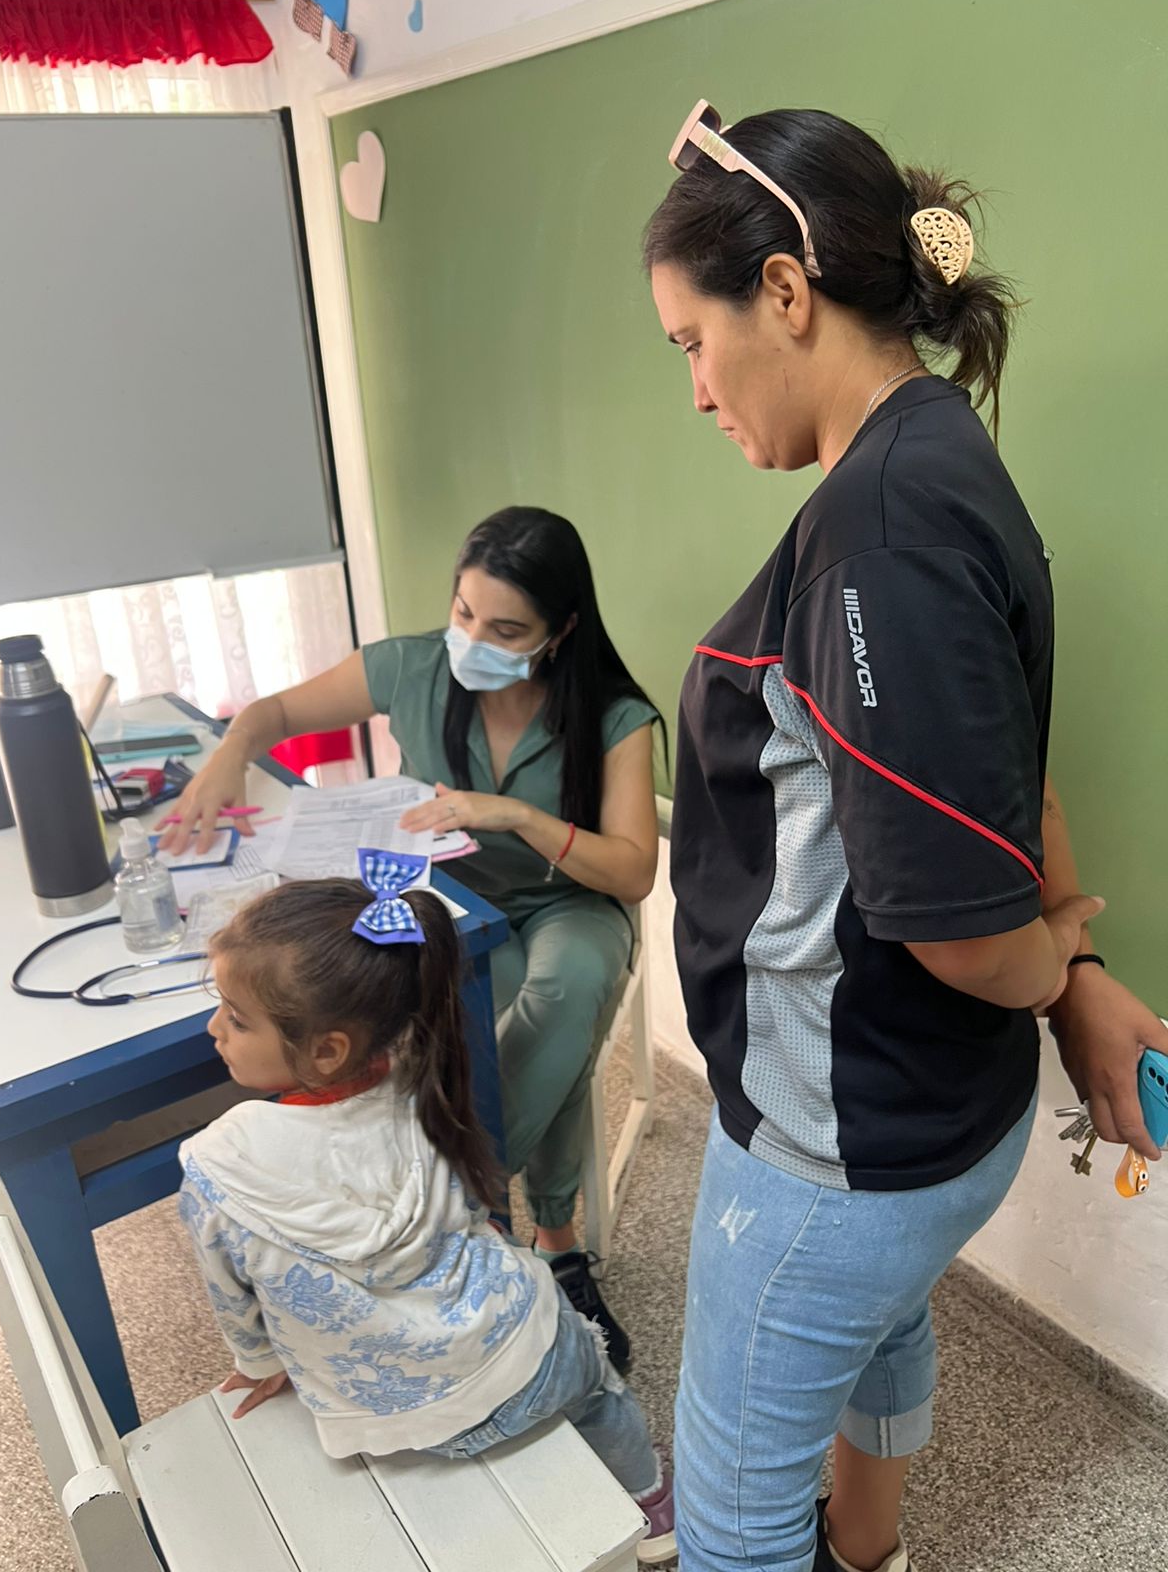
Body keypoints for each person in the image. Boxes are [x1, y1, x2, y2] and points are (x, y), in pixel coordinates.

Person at [643, 101, 1163, 1572]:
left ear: (786, 293)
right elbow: (1007, 775)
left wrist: (1051, 965)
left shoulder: (878, 533)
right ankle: (870, 1550)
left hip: (838, 1147)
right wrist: (1079, 974)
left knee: (731, 1514)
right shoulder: (936, 453)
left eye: (692, 342)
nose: (696, 390)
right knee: (878, 1336)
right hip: (931, 1116)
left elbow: (964, 929)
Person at [160, 507, 663, 1366]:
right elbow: (271, 713)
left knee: (567, 987)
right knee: (461, 1014)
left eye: (507, 630)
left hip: (564, 897)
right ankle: (543, 1238)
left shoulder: (616, 716)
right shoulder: (414, 665)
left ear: (562, 630)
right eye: (464, 613)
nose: (473, 640)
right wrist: (226, 756)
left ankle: (463, 1207)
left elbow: (632, 871)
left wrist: (516, 815)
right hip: (447, 899)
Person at [178, 862, 676, 1567]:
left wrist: (258, 1362)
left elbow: (232, 1295)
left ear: (327, 1049)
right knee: (597, 1383)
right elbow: (469, 1209)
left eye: (234, 1017)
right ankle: (653, 1504)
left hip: (386, 1420)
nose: (213, 1029)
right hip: (527, 1363)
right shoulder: (419, 1075)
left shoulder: (219, 1163)